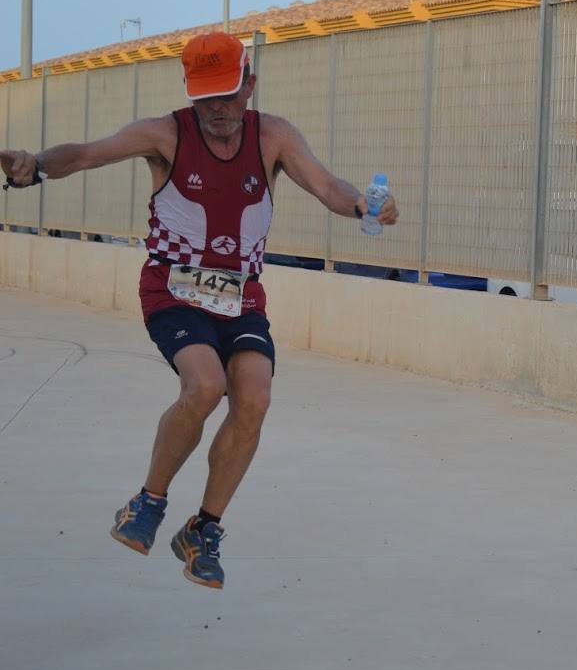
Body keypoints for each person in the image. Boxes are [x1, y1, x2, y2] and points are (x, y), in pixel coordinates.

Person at [0, 32, 398, 589]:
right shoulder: (165, 135)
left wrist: (363, 204)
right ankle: (148, 501)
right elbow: (89, 153)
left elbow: (327, 185)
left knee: (254, 397)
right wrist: (35, 166)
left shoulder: (274, 136)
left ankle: (203, 529)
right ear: (190, 94)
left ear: (249, 87)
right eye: (206, 98)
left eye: (229, 96)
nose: (218, 111)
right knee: (206, 385)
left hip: (240, 298)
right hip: (172, 290)